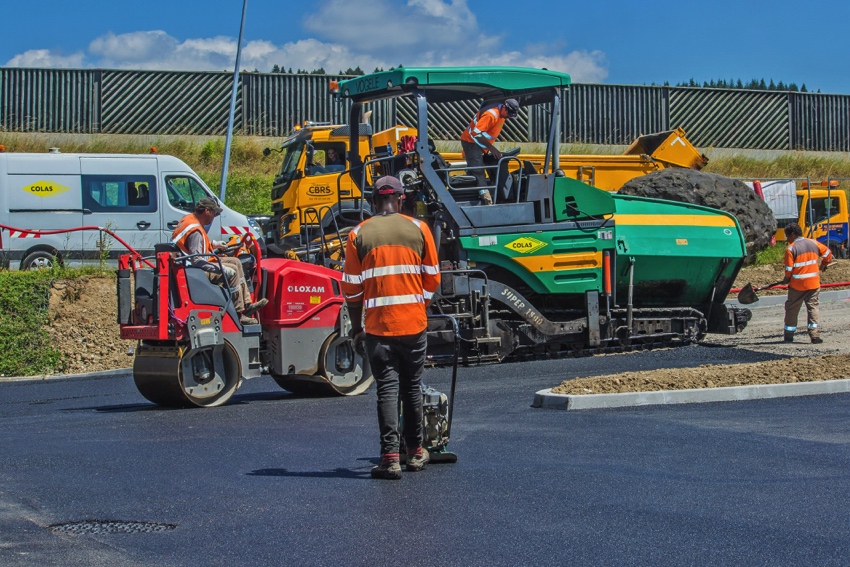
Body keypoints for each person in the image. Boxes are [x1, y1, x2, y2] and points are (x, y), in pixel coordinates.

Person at [341, 176, 441, 480]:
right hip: (413, 325)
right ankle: (414, 454)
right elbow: (433, 278)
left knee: (386, 388)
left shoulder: (358, 234)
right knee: (411, 387)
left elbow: (352, 290)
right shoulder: (419, 229)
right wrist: (417, 306)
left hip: (378, 327)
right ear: (400, 200)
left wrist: (357, 329)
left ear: (374, 202)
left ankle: (389, 459)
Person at [171, 196, 268, 326]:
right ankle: (239, 314)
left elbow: (197, 247)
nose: (215, 217)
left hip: (194, 265)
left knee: (236, 262)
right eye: (214, 213)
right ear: (207, 211)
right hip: (195, 271)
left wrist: (214, 244)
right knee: (232, 272)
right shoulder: (195, 230)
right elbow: (196, 260)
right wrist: (220, 269)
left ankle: (247, 304)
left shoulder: (190, 219)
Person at [460, 98, 520, 204]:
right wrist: (492, 148)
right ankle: (487, 201)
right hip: (471, 142)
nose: (508, 117)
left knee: (474, 169)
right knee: (478, 171)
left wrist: (487, 148)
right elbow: (476, 134)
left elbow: (489, 133)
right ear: (505, 107)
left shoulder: (502, 114)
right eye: (509, 114)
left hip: (479, 145)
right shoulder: (490, 115)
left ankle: (472, 194)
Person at [782, 222, 831, 344]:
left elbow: (789, 270)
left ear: (793, 234)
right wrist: (824, 263)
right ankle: (814, 335)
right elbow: (828, 254)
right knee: (813, 308)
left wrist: (787, 278)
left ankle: (789, 335)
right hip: (813, 284)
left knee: (792, 309)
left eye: (787, 236)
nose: (786, 239)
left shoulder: (791, 249)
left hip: (797, 286)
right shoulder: (813, 243)